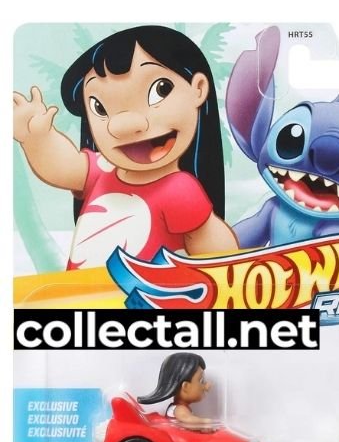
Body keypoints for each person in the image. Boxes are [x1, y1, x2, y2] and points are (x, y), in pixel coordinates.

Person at [13, 25, 238, 270]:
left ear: (198, 89)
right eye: (99, 107)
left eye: (160, 90)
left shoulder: (180, 189)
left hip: (145, 291)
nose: (123, 125)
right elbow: (64, 167)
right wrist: (37, 138)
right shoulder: (101, 169)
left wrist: (200, 221)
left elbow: (220, 258)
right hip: (83, 291)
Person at [137, 352, 212, 425]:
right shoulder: (179, 409)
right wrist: (205, 422)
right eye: (202, 381)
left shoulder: (182, 407)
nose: (207, 386)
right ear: (185, 386)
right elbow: (188, 420)